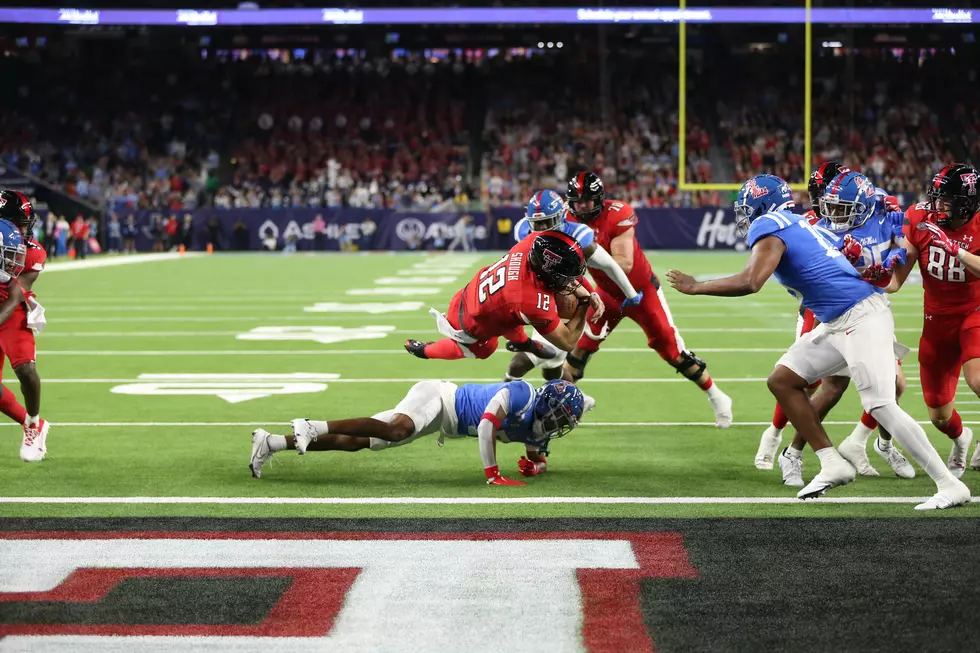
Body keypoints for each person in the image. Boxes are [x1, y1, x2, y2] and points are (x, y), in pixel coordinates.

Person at [666, 173, 970, 510]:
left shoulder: (769, 223)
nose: (744, 216)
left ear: (761, 206)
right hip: (839, 319)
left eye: (746, 208)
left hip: (860, 316)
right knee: (784, 380)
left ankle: (949, 483)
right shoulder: (796, 221)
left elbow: (751, 282)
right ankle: (831, 461)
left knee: (881, 405)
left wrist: (697, 286)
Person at [757, 167, 914, 482]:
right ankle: (790, 448)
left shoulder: (872, 207)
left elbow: (895, 240)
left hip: (871, 306)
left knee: (894, 386)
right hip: (829, 311)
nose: (825, 205)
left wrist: (901, 227)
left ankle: (877, 443)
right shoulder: (811, 225)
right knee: (827, 386)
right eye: (821, 197)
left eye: (830, 197)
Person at [562, 171, 733, 428]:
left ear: (598, 198)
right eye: (577, 201)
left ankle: (715, 394)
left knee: (672, 351)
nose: (582, 206)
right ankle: (559, 408)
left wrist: (577, 259)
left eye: (587, 200)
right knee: (577, 351)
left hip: (640, 292)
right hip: (607, 295)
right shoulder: (566, 219)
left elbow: (625, 263)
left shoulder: (617, 214)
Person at [250, 379, 585, 485]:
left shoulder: (539, 431)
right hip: (440, 398)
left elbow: (537, 457)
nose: (558, 424)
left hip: (442, 422)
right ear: (548, 403)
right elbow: (486, 425)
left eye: (563, 422)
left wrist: (536, 466)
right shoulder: (523, 394)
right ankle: (312, 426)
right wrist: (493, 473)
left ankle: (271, 442)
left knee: (360, 443)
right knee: (397, 431)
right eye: (559, 416)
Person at [885, 163, 980, 476]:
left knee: (977, 379)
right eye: (937, 198)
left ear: (967, 203)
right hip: (936, 321)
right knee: (939, 413)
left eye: (948, 200)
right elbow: (896, 281)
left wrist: (959, 252)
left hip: (974, 313)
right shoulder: (920, 218)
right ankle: (962, 437)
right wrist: (872, 266)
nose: (939, 206)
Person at [504, 189, 642, 384]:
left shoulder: (579, 236)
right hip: (540, 295)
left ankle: (502, 400)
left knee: (521, 362)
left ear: (561, 216)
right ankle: (579, 401)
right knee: (551, 370)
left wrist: (630, 293)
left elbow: (609, 264)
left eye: (547, 222)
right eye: (537, 224)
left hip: (566, 299)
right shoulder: (524, 233)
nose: (542, 229)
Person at [405, 233, 600, 362]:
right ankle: (424, 351)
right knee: (484, 349)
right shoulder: (530, 300)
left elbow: (559, 276)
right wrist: (583, 303)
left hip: (480, 295)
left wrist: (590, 291)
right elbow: (568, 342)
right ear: (547, 270)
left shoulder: (532, 243)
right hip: (468, 321)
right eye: (566, 277)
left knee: (512, 318)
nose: (572, 282)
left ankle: (523, 344)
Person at [0, 192, 49, 462]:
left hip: (11, 306)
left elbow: (16, 296)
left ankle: (33, 421)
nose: (24, 228)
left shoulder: (33, 251)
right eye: (18, 223)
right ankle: (32, 425)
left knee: (26, 369)